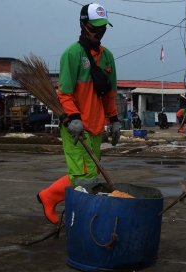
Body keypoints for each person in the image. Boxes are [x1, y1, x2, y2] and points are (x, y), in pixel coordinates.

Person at [37, 3, 120, 224]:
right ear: (83, 25)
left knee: (87, 174)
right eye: (95, 26)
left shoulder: (108, 57)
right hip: (75, 127)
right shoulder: (72, 54)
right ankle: (83, 222)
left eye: (103, 27)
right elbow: (64, 93)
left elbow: (109, 95)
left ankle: (49, 196)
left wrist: (114, 120)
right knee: (86, 176)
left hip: (95, 127)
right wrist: (73, 118)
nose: (100, 31)